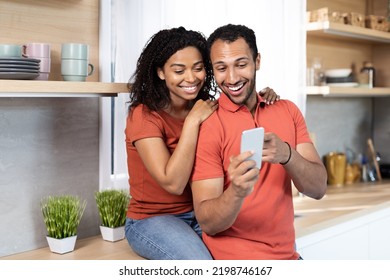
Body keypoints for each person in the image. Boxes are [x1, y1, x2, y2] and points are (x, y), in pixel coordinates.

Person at [124, 26, 280, 260]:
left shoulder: (206, 106)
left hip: (200, 214)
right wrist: (192, 122)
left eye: (198, 69)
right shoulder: (144, 116)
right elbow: (173, 183)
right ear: (160, 72)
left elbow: (240, 99)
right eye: (179, 70)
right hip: (152, 220)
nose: (191, 78)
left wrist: (263, 95)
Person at [190, 24, 327, 260]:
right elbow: (207, 222)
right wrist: (237, 191)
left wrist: (287, 155)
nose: (232, 78)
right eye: (221, 68)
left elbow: (318, 189)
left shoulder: (287, 111)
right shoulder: (209, 124)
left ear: (257, 61)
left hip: (288, 257)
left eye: (241, 65)